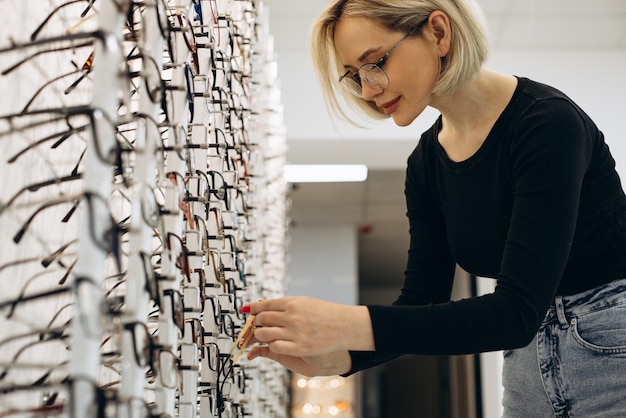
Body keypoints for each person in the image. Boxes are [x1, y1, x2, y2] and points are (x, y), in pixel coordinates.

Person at [239, 0, 626, 416]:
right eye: (355, 76)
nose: (369, 89)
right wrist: (347, 358)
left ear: (438, 32)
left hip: (610, 346)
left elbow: (515, 312)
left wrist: (344, 324)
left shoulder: (548, 123)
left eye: (375, 63)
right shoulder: (425, 164)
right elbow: (422, 300)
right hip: (527, 362)